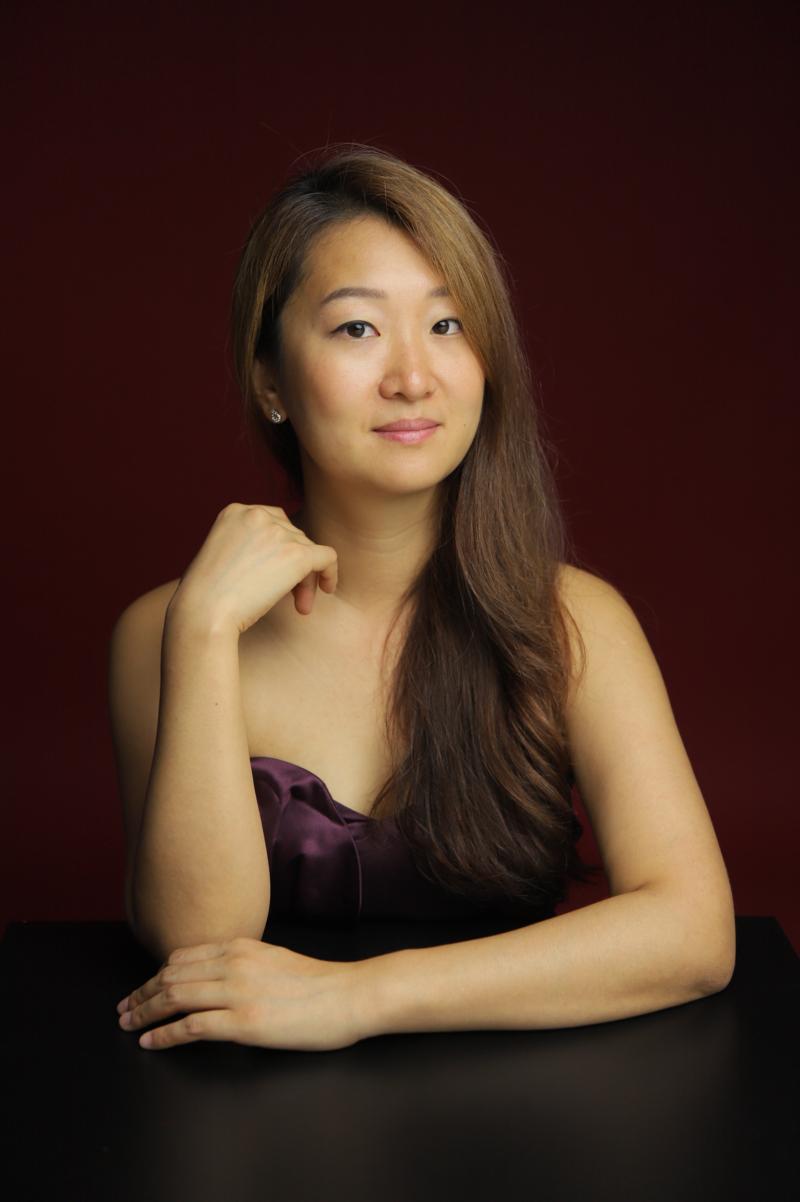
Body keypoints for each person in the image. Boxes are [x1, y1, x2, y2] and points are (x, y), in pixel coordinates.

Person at [107, 143, 736, 1053]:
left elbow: (694, 933)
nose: (413, 376)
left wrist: (358, 998)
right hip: (260, 1118)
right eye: (358, 329)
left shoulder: (575, 621)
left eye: (447, 325)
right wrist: (202, 631)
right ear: (270, 378)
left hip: (525, 1105)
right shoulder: (164, 629)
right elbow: (198, 948)